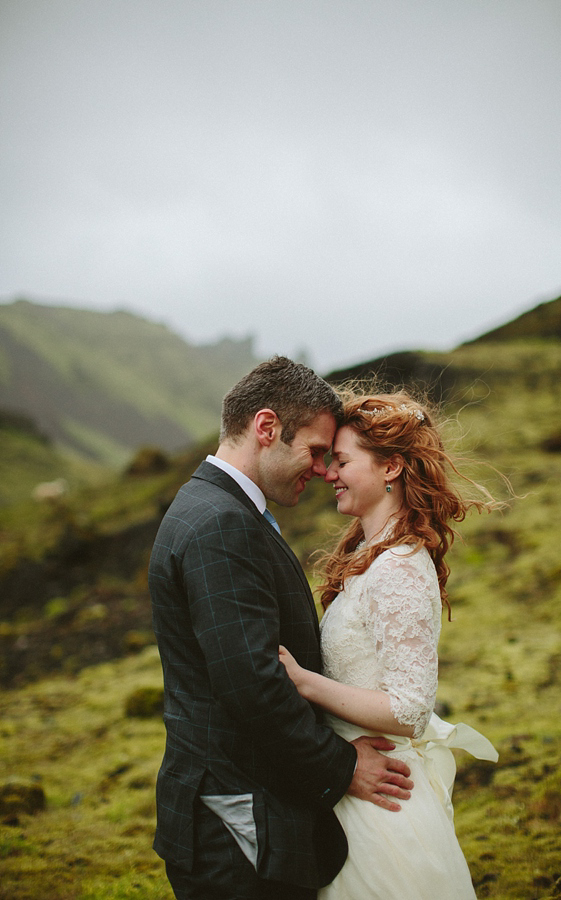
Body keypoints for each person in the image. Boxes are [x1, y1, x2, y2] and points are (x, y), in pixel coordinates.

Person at [148, 358, 413, 900]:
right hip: (238, 822)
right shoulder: (220, 523)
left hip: (243, 807)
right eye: (316, 452)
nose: (322, 470)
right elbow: (253, 681)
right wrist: (341, 768)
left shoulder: (217, 509)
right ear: (266, 428)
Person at [279, 389, 501, 899]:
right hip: (354, 787)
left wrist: (303, 683)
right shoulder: (368, 555)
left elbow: (410, 710)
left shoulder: (398, 568)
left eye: (341, 461)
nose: (328, 474)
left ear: (390, 468)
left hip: (383, 802)